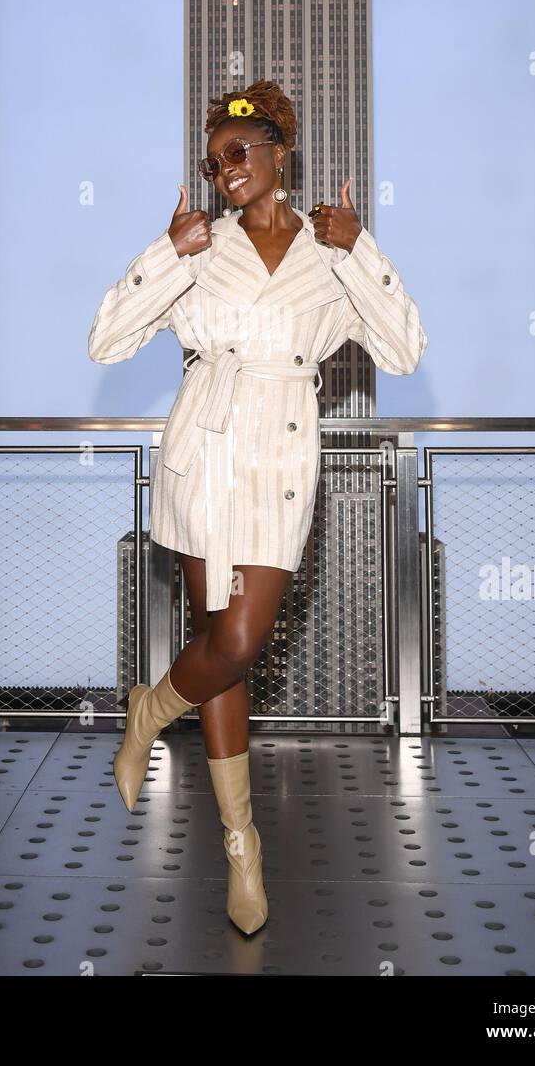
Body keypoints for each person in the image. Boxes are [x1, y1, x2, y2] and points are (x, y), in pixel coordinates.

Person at [88, 78, 427, 935]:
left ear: (280, 149)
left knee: (238, 639)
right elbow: (106, 340)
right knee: (223, 649)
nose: (224, 170)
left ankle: (148, 710)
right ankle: (242, 847)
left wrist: (362, 251)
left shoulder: (328, 249)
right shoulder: (199, 246)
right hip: (204, 449)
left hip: (280, 454)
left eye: (238, 152)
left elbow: (404, 350)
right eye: (212, 161)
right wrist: (166, 253)